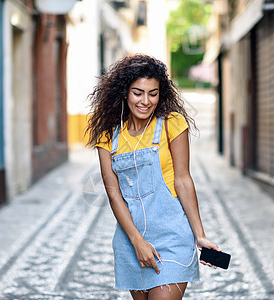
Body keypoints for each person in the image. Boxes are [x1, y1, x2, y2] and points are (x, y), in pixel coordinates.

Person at [86, 54, 220, 299]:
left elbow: (183, 180)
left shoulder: (172, 124)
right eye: (138, 93)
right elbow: (114, 195)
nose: (146, 101)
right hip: (131, 241)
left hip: (173, 237)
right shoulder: (108, 136)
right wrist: (137, 242)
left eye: (153, 93)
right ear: (125, 92)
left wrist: (199, 235)